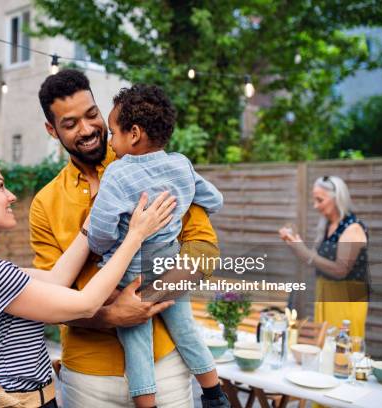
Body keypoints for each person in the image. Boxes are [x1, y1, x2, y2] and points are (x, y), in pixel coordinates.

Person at [0, 154, 176, 408]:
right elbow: (86, 303)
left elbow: (56, 279)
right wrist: (136, 235)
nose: (11, 196)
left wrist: (94, 220)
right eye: (1, 187)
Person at [31, 69, 224, 407]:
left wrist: (151, 291)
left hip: (165, 364)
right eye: (71, 123)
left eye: (92, 115)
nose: (89, 129)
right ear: (52, 130)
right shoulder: (44, 204)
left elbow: (205, 249)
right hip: (87, 375)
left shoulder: (149, 165)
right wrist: (112, 315)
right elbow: (50, 299)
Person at [88, 84, 228, 408]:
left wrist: (103, 245)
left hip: (132, 276)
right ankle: (214, 393)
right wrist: (181, 201)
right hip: (169, 265)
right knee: (186, 329)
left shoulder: (117, 174)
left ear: (134, 134)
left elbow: (99, 234)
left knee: (137, 341)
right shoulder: (181, 164)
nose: (110, 141)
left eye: (113, 133)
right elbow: (215, 200)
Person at [279, 175, 369, 338]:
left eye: (320, 200)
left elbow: (341, 270)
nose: (315, 206)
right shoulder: (328, 226)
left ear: (337, 198)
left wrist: (306, 253)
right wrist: (295, 243)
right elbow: (313, 260)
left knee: (341, 352)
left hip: (345, 301)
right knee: (325, 350)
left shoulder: (353, 228)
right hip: (325, 296)